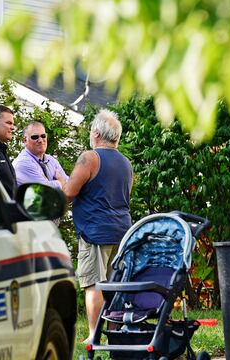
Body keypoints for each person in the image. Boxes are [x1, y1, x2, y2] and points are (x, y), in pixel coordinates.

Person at [64, 110, 133, 343]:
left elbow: (69, 192)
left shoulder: (90, 158)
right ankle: (114, 332)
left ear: (95, 133)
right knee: (115, 285)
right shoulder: (126, 163)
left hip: (95, 232)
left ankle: (94, 334)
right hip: (123, 231)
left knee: (94, 283)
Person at [12, 121, 69, 191]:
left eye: (43, 136)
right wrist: (61, 182)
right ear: (25, 140)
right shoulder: (23, 163)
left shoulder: (51, 160)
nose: (40, 140)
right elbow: (45, 191)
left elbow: (69, 185)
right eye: (35, 137)